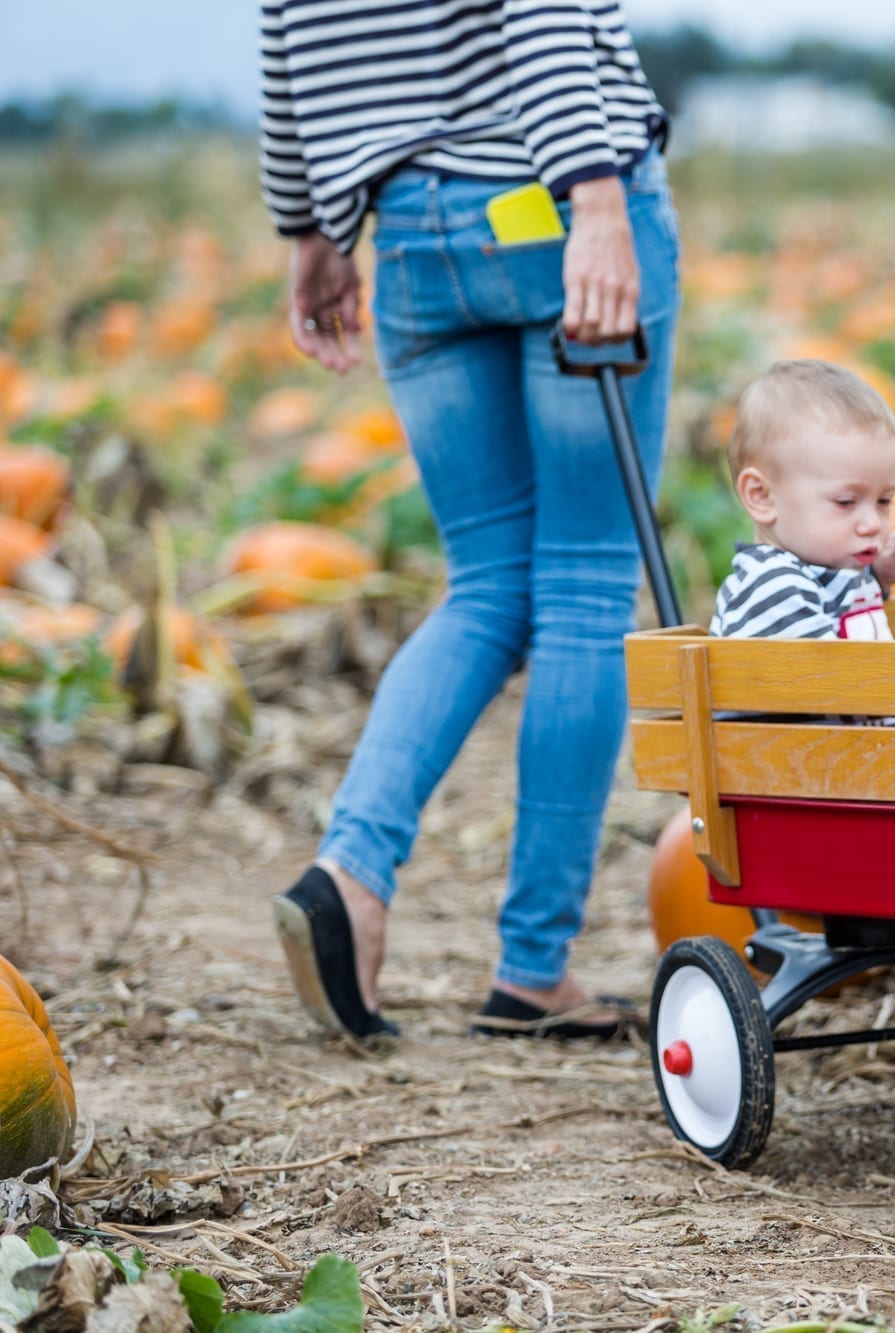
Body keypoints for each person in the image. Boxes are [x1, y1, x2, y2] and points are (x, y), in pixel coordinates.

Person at [258, 0, 680, 1044]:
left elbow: (284, 42)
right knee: (584, 583)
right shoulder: (577, 193)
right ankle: (533, 966)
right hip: (548, 199)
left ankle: (349, 876)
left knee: (486, 583)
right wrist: (593, 197)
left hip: (410, 233)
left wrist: (310, 228)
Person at [708, 360, 895, 642]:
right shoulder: (775, 589)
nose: (871, 524)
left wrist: (878, 576)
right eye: (845, 502)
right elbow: (826, 680)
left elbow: (844, 613)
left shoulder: (816, 574)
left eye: (884, 501)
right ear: (762, 496)